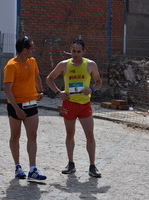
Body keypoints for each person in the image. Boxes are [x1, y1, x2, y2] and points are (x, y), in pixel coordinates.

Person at [46, 39, 102, 177]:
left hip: (84, 105)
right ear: (70, 50)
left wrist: (92, 89)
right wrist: (59, 93)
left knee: (90, 135)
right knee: (70, 134)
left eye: (78, 51)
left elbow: (99, 82)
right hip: (69, 104)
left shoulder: (90, 64)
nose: (75, 54)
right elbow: (49, 79)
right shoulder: (64, 65)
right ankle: (71, 164)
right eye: (73, 51)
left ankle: (92, 166)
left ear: (84, 51)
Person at [3, 36, 47, 180]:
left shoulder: (32, 61)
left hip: (31, 104)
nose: (34, 50)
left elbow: (37, 77)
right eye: (31, 48)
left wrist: (40, 91)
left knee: (32, 136)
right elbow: (7, 90)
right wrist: (16, 108)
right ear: (24, 50)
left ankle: (33, 169)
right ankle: (17, 166)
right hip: (16, 106)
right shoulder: (11, 65)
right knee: (15, 136)